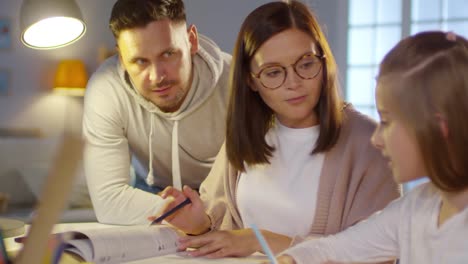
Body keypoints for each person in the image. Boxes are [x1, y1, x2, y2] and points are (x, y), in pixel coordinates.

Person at [153, 0, 400, 259]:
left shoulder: (370, 143)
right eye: (273, 73)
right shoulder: (247, 135)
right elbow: (219, 226)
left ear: (323, 62)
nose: (293, 83)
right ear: (251, 81)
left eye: (305, 64)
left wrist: (259, 240)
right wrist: (197, 223)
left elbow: (378, 253)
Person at [275, 31, 468, 264]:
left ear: (438, 126)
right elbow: (331, 249)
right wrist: (290, 260)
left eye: (386, 121)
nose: (376, 139)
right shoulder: (415, 208)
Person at [82, 0, 231, 225]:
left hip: (226, 193)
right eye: (140, 61)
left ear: (192, 41)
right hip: (149, 194)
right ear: (121, 58)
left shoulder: (235, 82)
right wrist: (183, 215)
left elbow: (260, 185)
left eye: (168, 54)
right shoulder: (106, 89)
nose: (157, 76)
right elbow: (109, 200)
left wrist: (205, 219)